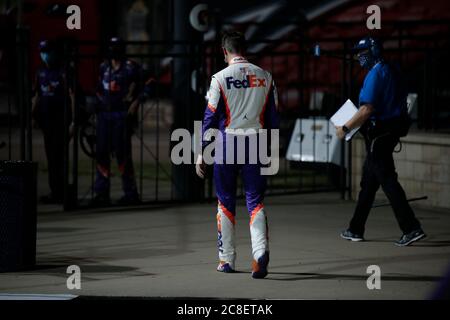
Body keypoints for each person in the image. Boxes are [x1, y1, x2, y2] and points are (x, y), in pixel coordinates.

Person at [195, 31, 279, 278]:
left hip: (227, 143)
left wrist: (201, 152)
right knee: (255, 201)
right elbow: (274, 118)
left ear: (224, 51)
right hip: (256, 143)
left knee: (225, 201)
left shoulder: (219, 78)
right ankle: (260, 253)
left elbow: (209, 118)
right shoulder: (266, 77)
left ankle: (226, 260)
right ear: (246, 49)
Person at [336, 36, 426, 246]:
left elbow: (367, 109)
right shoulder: (391, 69)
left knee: (388, 181)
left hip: (380, 134)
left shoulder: (376, 74)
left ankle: (411, 227)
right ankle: (355, 228)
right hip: (390, 130)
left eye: (362, 52)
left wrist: (345, 128)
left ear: (373, 51)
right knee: (368, 185)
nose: (359, 57)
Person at [93, 37, 141, 206]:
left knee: (123, 155)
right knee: (101, 153)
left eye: (117, 48)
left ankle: (130, 193)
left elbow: (148, 83)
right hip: (104, 116)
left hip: (121, 116)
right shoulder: (103, 67)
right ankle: (101, 193)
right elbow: (98, 89)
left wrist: (135, 102)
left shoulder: (131, 67)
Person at [32, 40, 74, 204]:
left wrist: (73, 121)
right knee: (51, 157)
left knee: (60, 156)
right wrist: (32, 116)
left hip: (61, 120)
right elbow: (36, 96)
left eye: (47, 51)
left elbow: (72, 96)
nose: (44, 55)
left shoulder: (64, 71)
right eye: (42, 51)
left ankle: (62, 191)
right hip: (46, 121)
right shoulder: (40, 72)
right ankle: (55, 190)